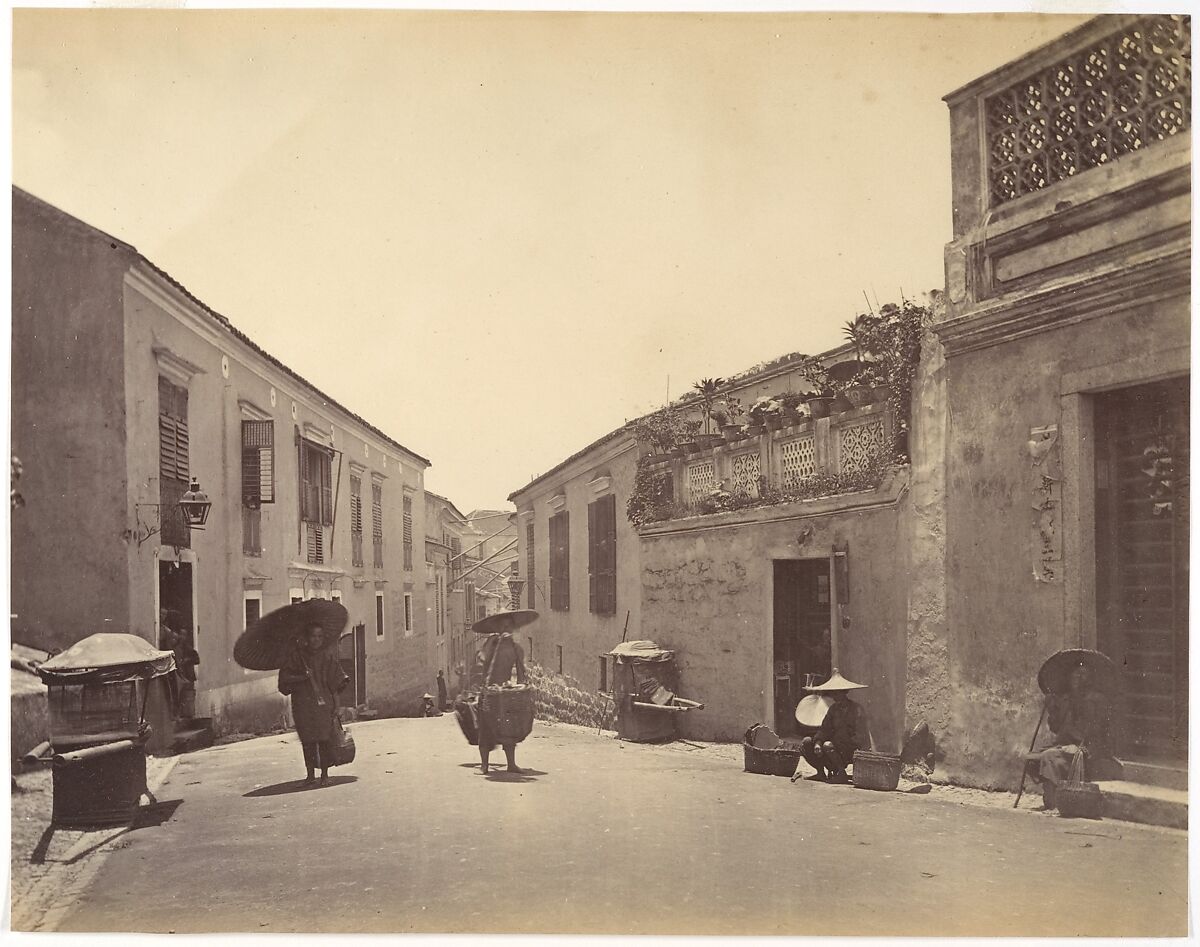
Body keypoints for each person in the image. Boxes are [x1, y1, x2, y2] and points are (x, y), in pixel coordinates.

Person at [1027, 662, 1121, 809]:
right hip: (1065, 745)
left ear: (1089, 679)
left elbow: (1096, 730)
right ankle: (1052, 795)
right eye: (1076, 674)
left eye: (1084, 674)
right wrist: (1052, 709)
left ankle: (1055, 801)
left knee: (1049, 757)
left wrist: (1079, 745)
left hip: (1089, 749)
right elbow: (1057, 728)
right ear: (1069, 678)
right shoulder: (1066, 699)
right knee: (1032, 757)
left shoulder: (1096, 701)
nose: (1079, 678)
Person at [278, 623, 349, 786]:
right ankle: (310, 775)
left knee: (324, 739)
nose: (316, 640)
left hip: (324, 704)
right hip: (303, 704)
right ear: (306, 638)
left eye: (320, 636)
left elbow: (335, 681)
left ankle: (324, 774)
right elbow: (284, 682)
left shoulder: (327, 656)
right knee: (308, 740)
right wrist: (302, 676)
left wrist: (337, 706)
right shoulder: (295, 658)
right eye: (313, 636)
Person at [798, 669, 871, 783]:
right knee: (806, 742)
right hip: (833, 746)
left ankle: (841, 773)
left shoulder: (856, 709)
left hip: (850, 748)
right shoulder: (833, 709)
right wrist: (818, 743)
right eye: (833, 693)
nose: (834, 696)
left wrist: (843, 742)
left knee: (827, 745)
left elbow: (861, 735)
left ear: (844, 692)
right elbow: (825, 729)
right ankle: (820, 773)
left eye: (837, 693)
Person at [471, 631, 528, 774]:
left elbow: (480, 660)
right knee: (503, 728)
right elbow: (521, 674)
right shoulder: (512, 647)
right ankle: (506, 764)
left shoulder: (495, 644)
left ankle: (489, 766)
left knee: (493, 728)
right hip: (502, 692)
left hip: (495, 692)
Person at [173, 627, 200, 722]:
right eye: (181, 634)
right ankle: (179, 715)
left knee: (188, 695)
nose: (182, 637)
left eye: (184, 635)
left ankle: (189, 714)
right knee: (179, 696)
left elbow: (197, 660)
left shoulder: (189, 649)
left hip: (188, 676)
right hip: (179, 675)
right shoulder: (175, 648)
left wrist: (188, 660)